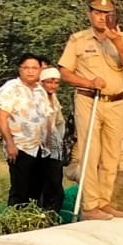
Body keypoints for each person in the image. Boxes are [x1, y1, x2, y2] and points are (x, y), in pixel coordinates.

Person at [58, 0, 123, 220]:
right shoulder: (78, 40)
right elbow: (65, 72)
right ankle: (90, 205)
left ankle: (104, 201)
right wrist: (88, 82)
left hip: (116, 102)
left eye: (107, 13)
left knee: (112, 155)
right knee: (90, 154)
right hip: (88, 99)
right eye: (97, 12)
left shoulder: (122, 37)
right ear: (89, 14)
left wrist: (117, 41)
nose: (102, 17)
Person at [0, 55, 61, 213]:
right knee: (20, 191)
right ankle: (14, 223)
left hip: (40, 148)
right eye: (27, 68)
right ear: (20, 69)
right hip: (20, 147)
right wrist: (10, 144)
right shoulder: (11, 89)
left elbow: (47, 117)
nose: (31, 71)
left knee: (36, 190)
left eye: (34, 68)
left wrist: (49, 144)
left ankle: (30, 224)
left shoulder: (41, 90)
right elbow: (1, 118)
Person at [39, 66, 68, 214]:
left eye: (56, 83)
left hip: (54, 149)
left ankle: (51, 216)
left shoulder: (54, 100)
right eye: (49, 82)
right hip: (40, 147)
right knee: (44, 185)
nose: (53, 86)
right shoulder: (37, 98)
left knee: (56, 186)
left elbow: (59, 122)